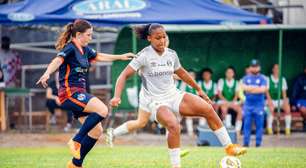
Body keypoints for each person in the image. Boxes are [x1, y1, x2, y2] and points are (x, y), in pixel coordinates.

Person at [110, 23, 246, 168]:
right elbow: (123, 76)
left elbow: (182, 73)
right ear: (149, 38)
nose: (162, 41)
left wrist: (199, 89)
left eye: (164, 37)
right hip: (156, 102)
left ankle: (229, 147)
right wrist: (117, 96)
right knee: (174, 126)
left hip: (174, 95)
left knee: (207, 109)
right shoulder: (143, 56)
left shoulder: (171, 54)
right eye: (158, 38)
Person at [36, 19, 135, 168]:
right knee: (103, 110)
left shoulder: (86, 50)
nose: (91, 38)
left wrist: (120, 57)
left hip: (79, 94)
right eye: (89, 35)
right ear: (78, 34)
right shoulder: (70, 48)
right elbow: (57, 61)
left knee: (97, 131)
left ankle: (76, 164)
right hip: (70, 94)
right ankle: (76, 140)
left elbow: (99, 56)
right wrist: (47, 73)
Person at [241, 59, 268, 147]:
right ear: (250, 68)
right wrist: (256, 88)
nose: (254, 68)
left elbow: (263, 89)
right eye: (252, 66)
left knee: (259, 125)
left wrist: (250, 89)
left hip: (259, 105)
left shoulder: (263, 78)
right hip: (248, 105)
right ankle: (246, 143)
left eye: (256, 66)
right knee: (246, 124)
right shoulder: (246, 78)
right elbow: (244, 88)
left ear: (259, 67)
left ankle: (258, 144)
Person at [266, 64, 291, 135]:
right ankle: (269, 128)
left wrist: (285, 101)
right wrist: (270, 101)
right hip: (271, 100)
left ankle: (287, 128)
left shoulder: (282, 79)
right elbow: (266, 92)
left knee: (287, 108)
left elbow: (284, 93)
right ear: (272, 70)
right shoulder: (268, 79)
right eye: (275, 68)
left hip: (279, 100)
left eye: (278, 69)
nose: (277, 70)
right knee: (270, 108)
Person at [217, 66, 242, 134]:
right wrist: (227, 102)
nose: (229, 74)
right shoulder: (221, 81)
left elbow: (236, 95)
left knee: (240, 111)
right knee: (224, 109)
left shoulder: (236, 82)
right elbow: (220, 94)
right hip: (223, 101)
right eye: (228, 72)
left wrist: (232, 102)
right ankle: (226, 128)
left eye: (231, 72)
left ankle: (237, 130)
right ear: (225, 73)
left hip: (233, 102)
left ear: (233, 74)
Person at [291, 66, 306, 131]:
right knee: (304, 110)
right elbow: (294, 93)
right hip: (300, 100)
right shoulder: (300, 79)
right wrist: (293, 104)